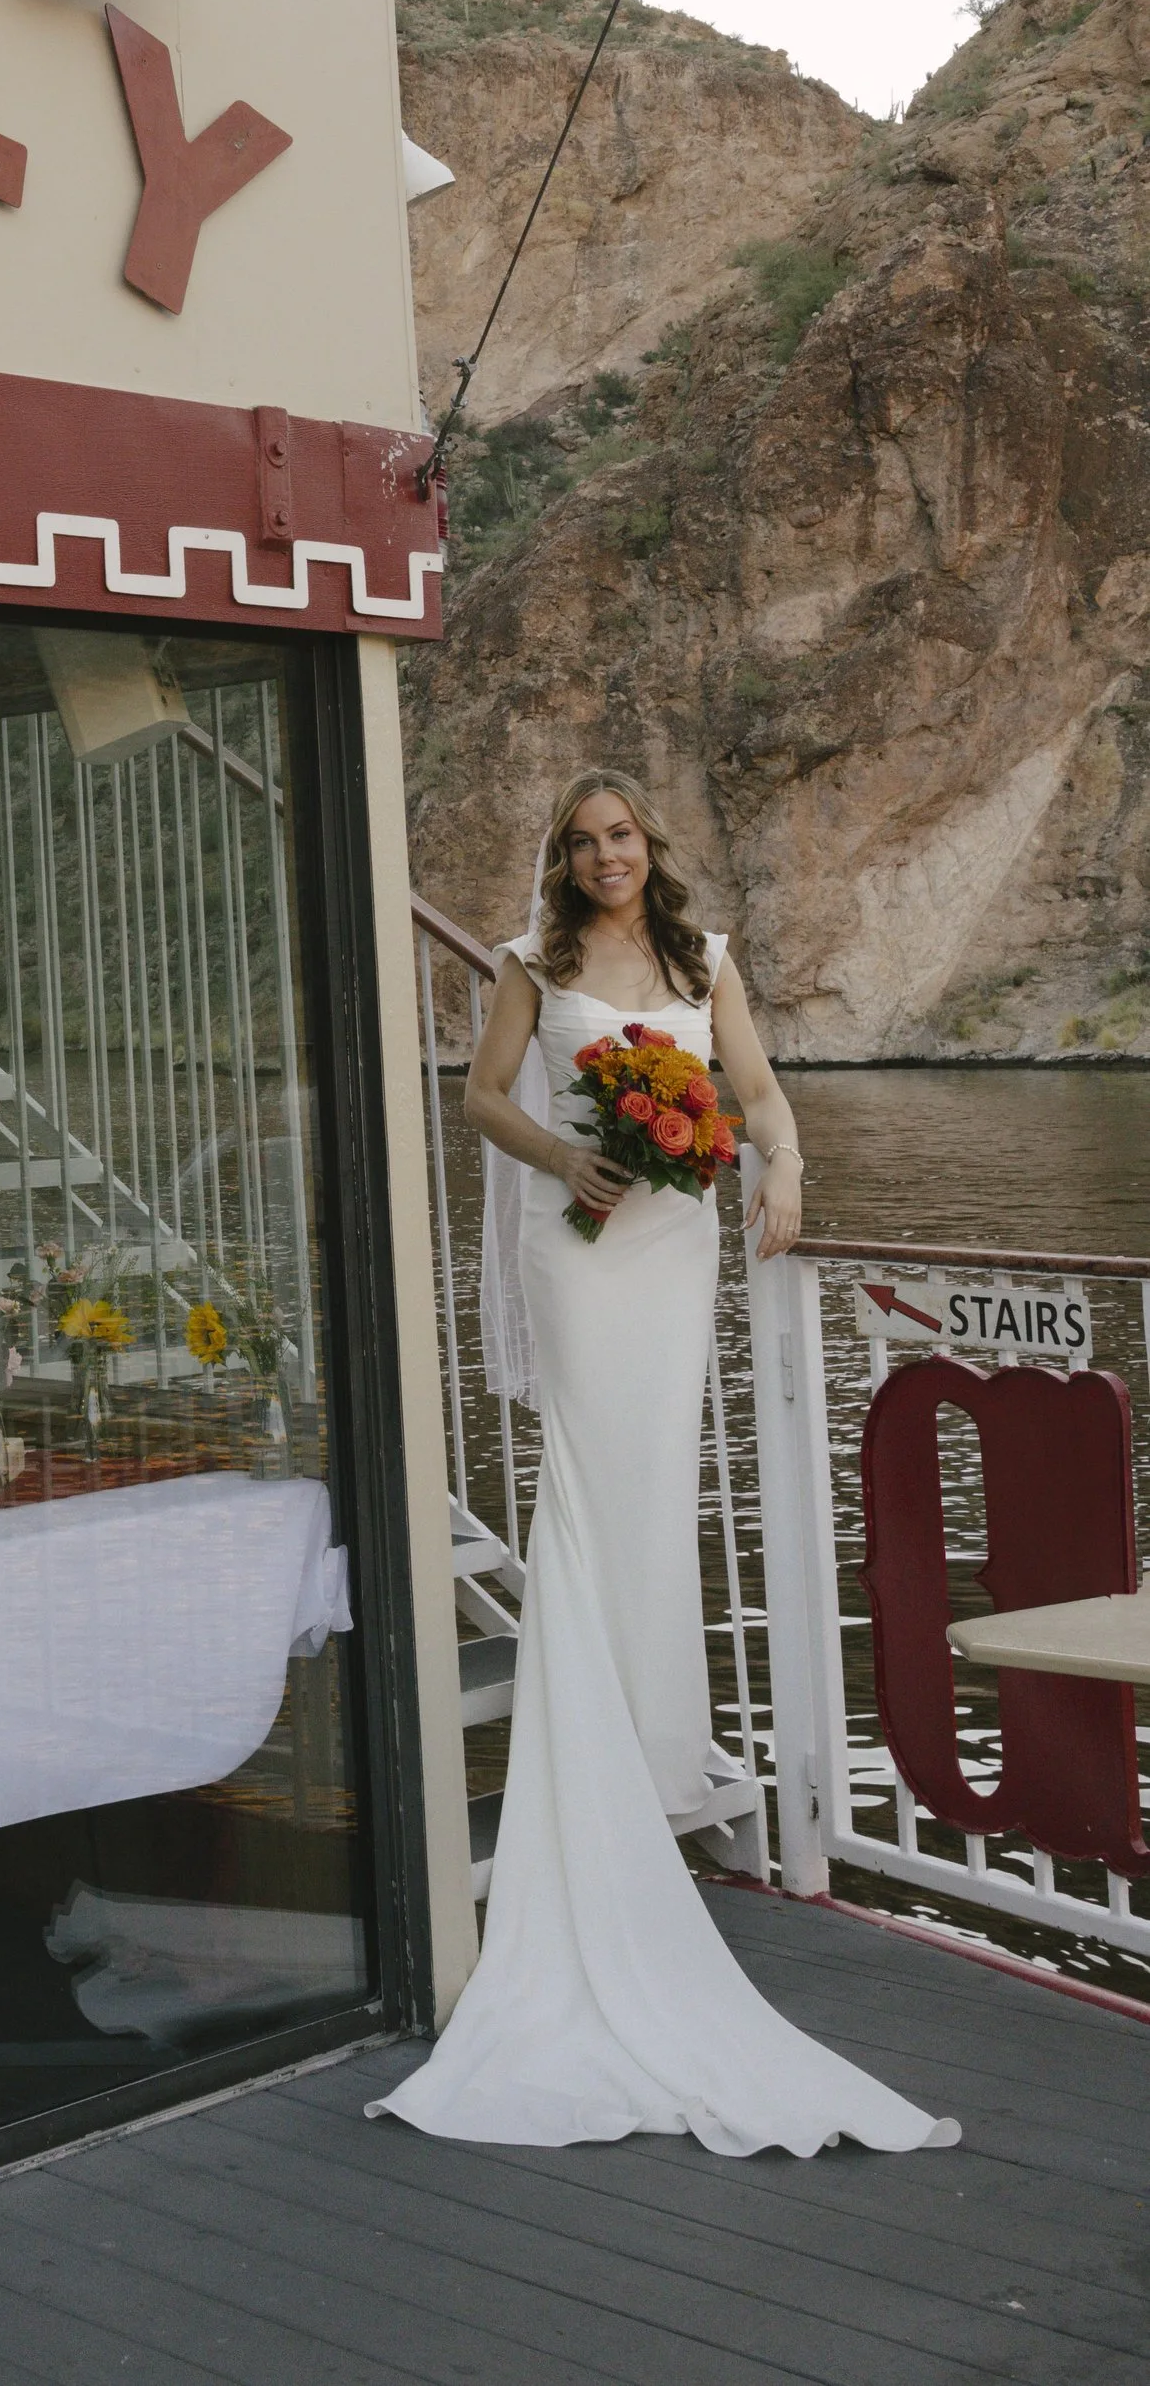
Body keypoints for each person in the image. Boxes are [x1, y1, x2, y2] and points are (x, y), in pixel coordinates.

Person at [372, 768, 956, 2156]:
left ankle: (648, 1748)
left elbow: (754, 1090)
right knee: (592, 1482)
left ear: (649, 845)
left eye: (621, 836)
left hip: (678, 1244)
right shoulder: (532, 962)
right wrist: (565, 1159)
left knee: (660, 1488)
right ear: (562, 860)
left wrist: (783, 1167)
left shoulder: (704, 961)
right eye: (582, 843)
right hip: (579, 1242)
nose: (604, 858)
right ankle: (598, 1766)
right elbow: (481, 1100)